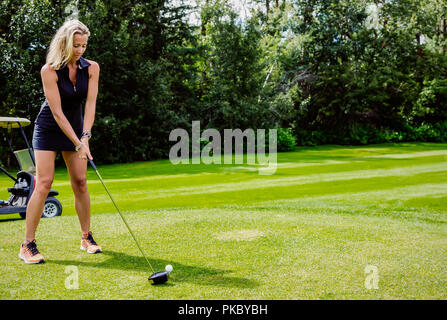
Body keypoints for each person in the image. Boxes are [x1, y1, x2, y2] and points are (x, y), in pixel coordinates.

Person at [19, 19, 102, 264]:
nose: (80, 50)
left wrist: (85, 136)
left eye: (84, 45)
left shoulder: (92, 68)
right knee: (44, 182)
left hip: (77, 128)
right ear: (65, 43)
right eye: (76, 45)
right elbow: (56, 113)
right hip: (48, 129)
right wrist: (78, 142)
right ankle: (27, 245)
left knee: (80, 181)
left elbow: (90, 104)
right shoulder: (49, 70)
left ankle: (86, 237)